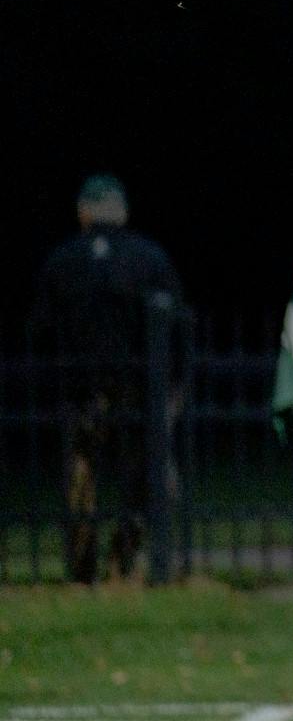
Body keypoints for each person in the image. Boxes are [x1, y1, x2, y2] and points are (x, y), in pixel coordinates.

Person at [28, 174, 186, 582]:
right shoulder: (150, 258)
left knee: (81, 479)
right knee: (144, 476)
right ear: (124, 213)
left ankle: (82, 570)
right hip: (138, 390)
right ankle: (124, 558)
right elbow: (178, 328)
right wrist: (174, 389)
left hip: (79, 391)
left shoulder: (61, 261)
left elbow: (40, 332)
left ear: (83, 213)